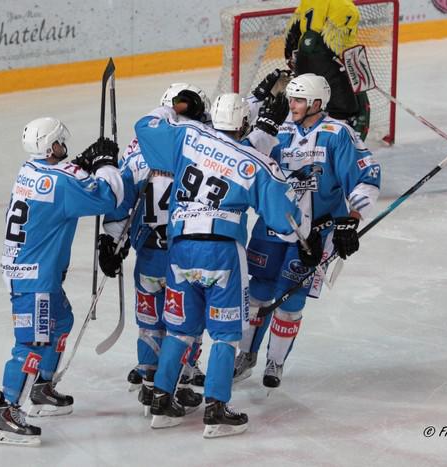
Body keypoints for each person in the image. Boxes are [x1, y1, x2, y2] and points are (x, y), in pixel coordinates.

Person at [133, 90, 321, 438]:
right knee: (224, 334)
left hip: (180, 250)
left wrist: (169, 107)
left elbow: (144, 127)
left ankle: (160, 400)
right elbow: (285, 220)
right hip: (221, 253)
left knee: (179, 329)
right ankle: (216, 409)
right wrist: (308, 242)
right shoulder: (253, 161)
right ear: (244, 123)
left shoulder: (187, 136)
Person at [234, 73, 381, 391]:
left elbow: (365, 174)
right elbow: (238, 149)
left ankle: (276, 360)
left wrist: (350, 219)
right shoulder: (276, 130)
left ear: (317, 103)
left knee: (291, 300)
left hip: (316, 232)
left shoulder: (337, 133)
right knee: (257, 293)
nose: (292, 105)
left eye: (299, 100)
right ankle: (245, 355)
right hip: (271, 227)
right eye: (291, 98)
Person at [0, 117, 124, 446]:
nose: (64, 148)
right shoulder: (61, 184)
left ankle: (41, 388)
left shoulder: (29, 170)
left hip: (33, 273)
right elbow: (109, 198)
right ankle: (7, 413)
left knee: (61, 320)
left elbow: (57, 178)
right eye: (60, 143)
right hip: (33, 279)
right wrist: (105, 164)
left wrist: (80, 163)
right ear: (52, 147)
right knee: (31, 345)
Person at [98, 83, 211, 416]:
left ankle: (149, 381)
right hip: (183, 254)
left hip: (148, 253)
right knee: (187, 321)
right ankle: (183, 378)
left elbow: (121, 197)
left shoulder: (137, 152)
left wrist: (110, 239)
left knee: (150, 321)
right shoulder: (196, 147)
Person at [284, 0, 371, 139]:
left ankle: (303, 143)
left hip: (302, 60)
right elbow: (341, 45)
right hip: (326, 62)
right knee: (346, 109)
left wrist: (294, 56)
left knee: (307, 106)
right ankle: (334, 145)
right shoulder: (346, 6)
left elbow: (293, 31)